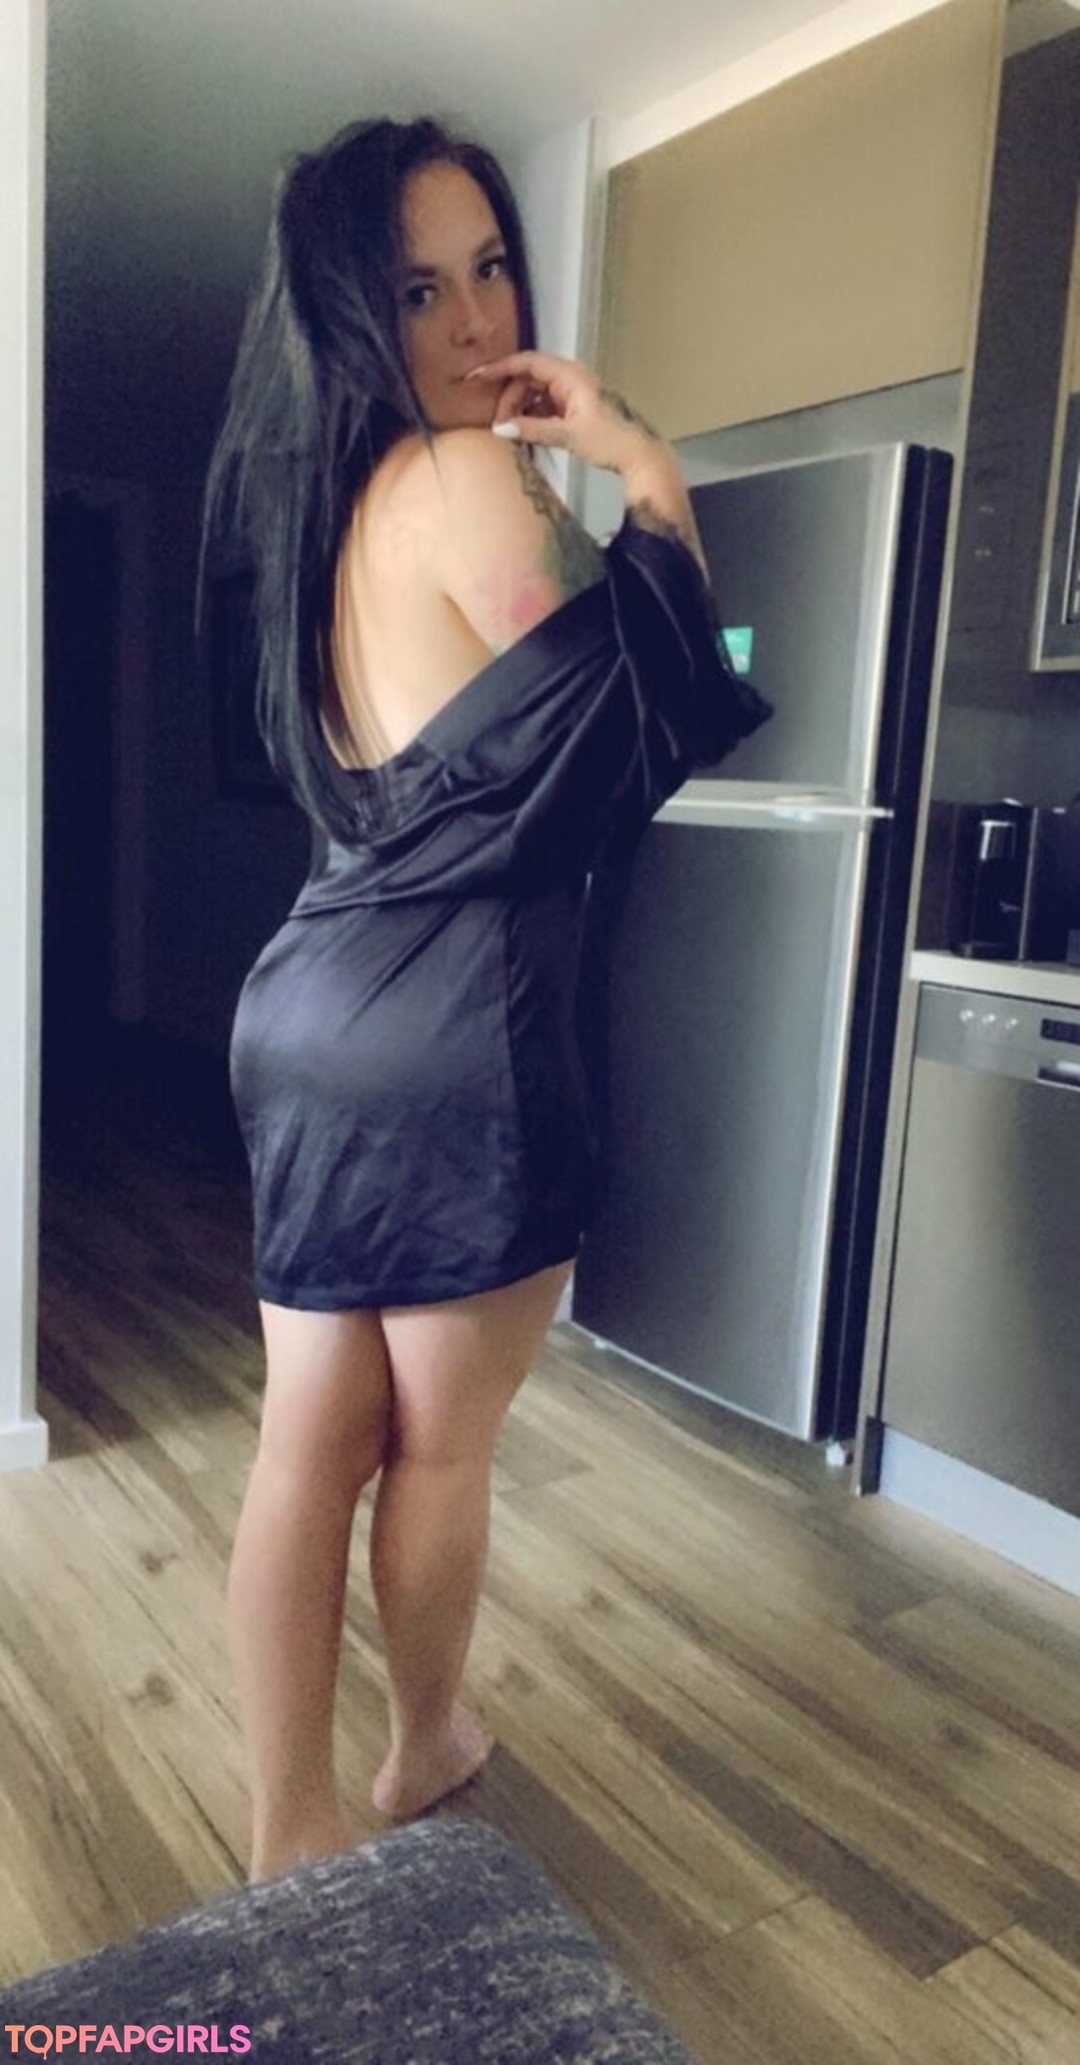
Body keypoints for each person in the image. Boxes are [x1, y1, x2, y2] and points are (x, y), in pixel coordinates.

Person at [201, 114, 769, 1882]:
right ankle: (420, 1742)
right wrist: (643, 464)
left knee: (310, 1444)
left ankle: (283, 1825)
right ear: (353, 316)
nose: (472, 321)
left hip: (310, 1011)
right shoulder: (466, 480)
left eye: (491, 269)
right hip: (456, 1034)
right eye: (418, 290)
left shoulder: (328, 529)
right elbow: (649, 716)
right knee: (437, 1450)